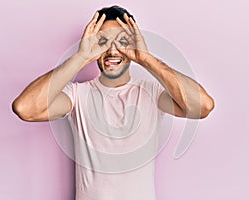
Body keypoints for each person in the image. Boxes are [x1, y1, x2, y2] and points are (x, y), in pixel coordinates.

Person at [12, 5, 214, 200]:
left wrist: (145, 58)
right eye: (103, 42)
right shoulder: (77, 95)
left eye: (123, 41)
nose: (113, 51)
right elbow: (24, 108)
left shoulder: (152, 93)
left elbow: (203, 106)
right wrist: (81, 57)